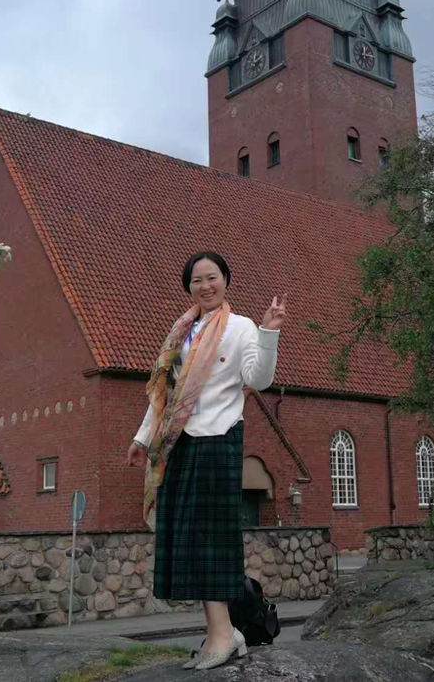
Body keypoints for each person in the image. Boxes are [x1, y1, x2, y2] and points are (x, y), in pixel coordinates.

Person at [126, 250, 287, 671]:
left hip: (219, 438)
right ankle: (223, 632)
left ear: (226, 280)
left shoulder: (240, 327)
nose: (205, 285)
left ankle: (223, 635)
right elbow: (165, 394)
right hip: (179, 442)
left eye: (212, 277)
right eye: (197, 280)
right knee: (190, 540)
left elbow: (258, 379)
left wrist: (269, 333)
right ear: (189, 287)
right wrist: (143, 438)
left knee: (212, 539)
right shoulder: (181, 332)